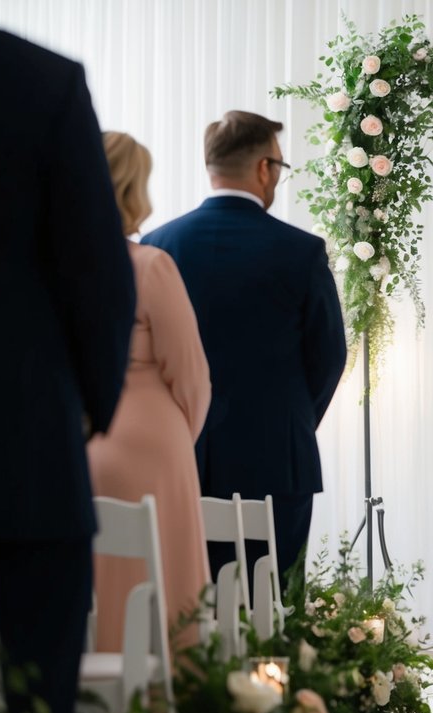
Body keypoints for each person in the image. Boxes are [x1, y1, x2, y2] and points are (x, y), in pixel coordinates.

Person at [0, 4, 135, 713]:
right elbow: (96, 277)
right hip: (16, 453)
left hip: (21, 448)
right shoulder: (41, 82)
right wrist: (88, 410)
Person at [143, 111, 346, 589]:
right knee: (268, 605)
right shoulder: (302, 251)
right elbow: (329, 358)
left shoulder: (158, 245)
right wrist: (291, 419)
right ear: (263, 168)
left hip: (180, 456)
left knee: (185, 601)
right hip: (278, 459)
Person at [89, 132, 211, 653]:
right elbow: (190, 375)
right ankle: (168, 711)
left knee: (93, 577)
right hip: (154, 445)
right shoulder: (149, 266)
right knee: (168, 578)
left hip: (81, 440)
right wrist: (180, 439)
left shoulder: (49, 267)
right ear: (134, 189)